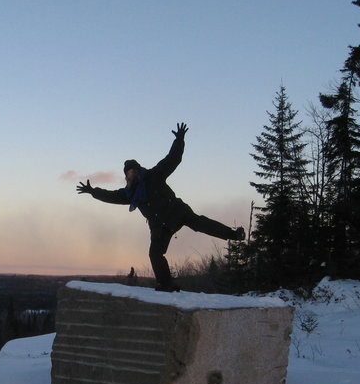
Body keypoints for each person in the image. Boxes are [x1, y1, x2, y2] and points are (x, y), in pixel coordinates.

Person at [77, 122, 245, 292]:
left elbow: (172, 159)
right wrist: (93, 191)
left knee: (200, 223)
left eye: (133, 170)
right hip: (160, 226)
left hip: (177, 212)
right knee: (155, 254)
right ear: (126, 175)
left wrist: (179, 140)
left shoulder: (153, 176)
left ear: (138, 170)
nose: (131, 174)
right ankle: (166, 284)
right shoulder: (130, 194)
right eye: (128, 172)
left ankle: (233, 234)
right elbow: (111, 196)